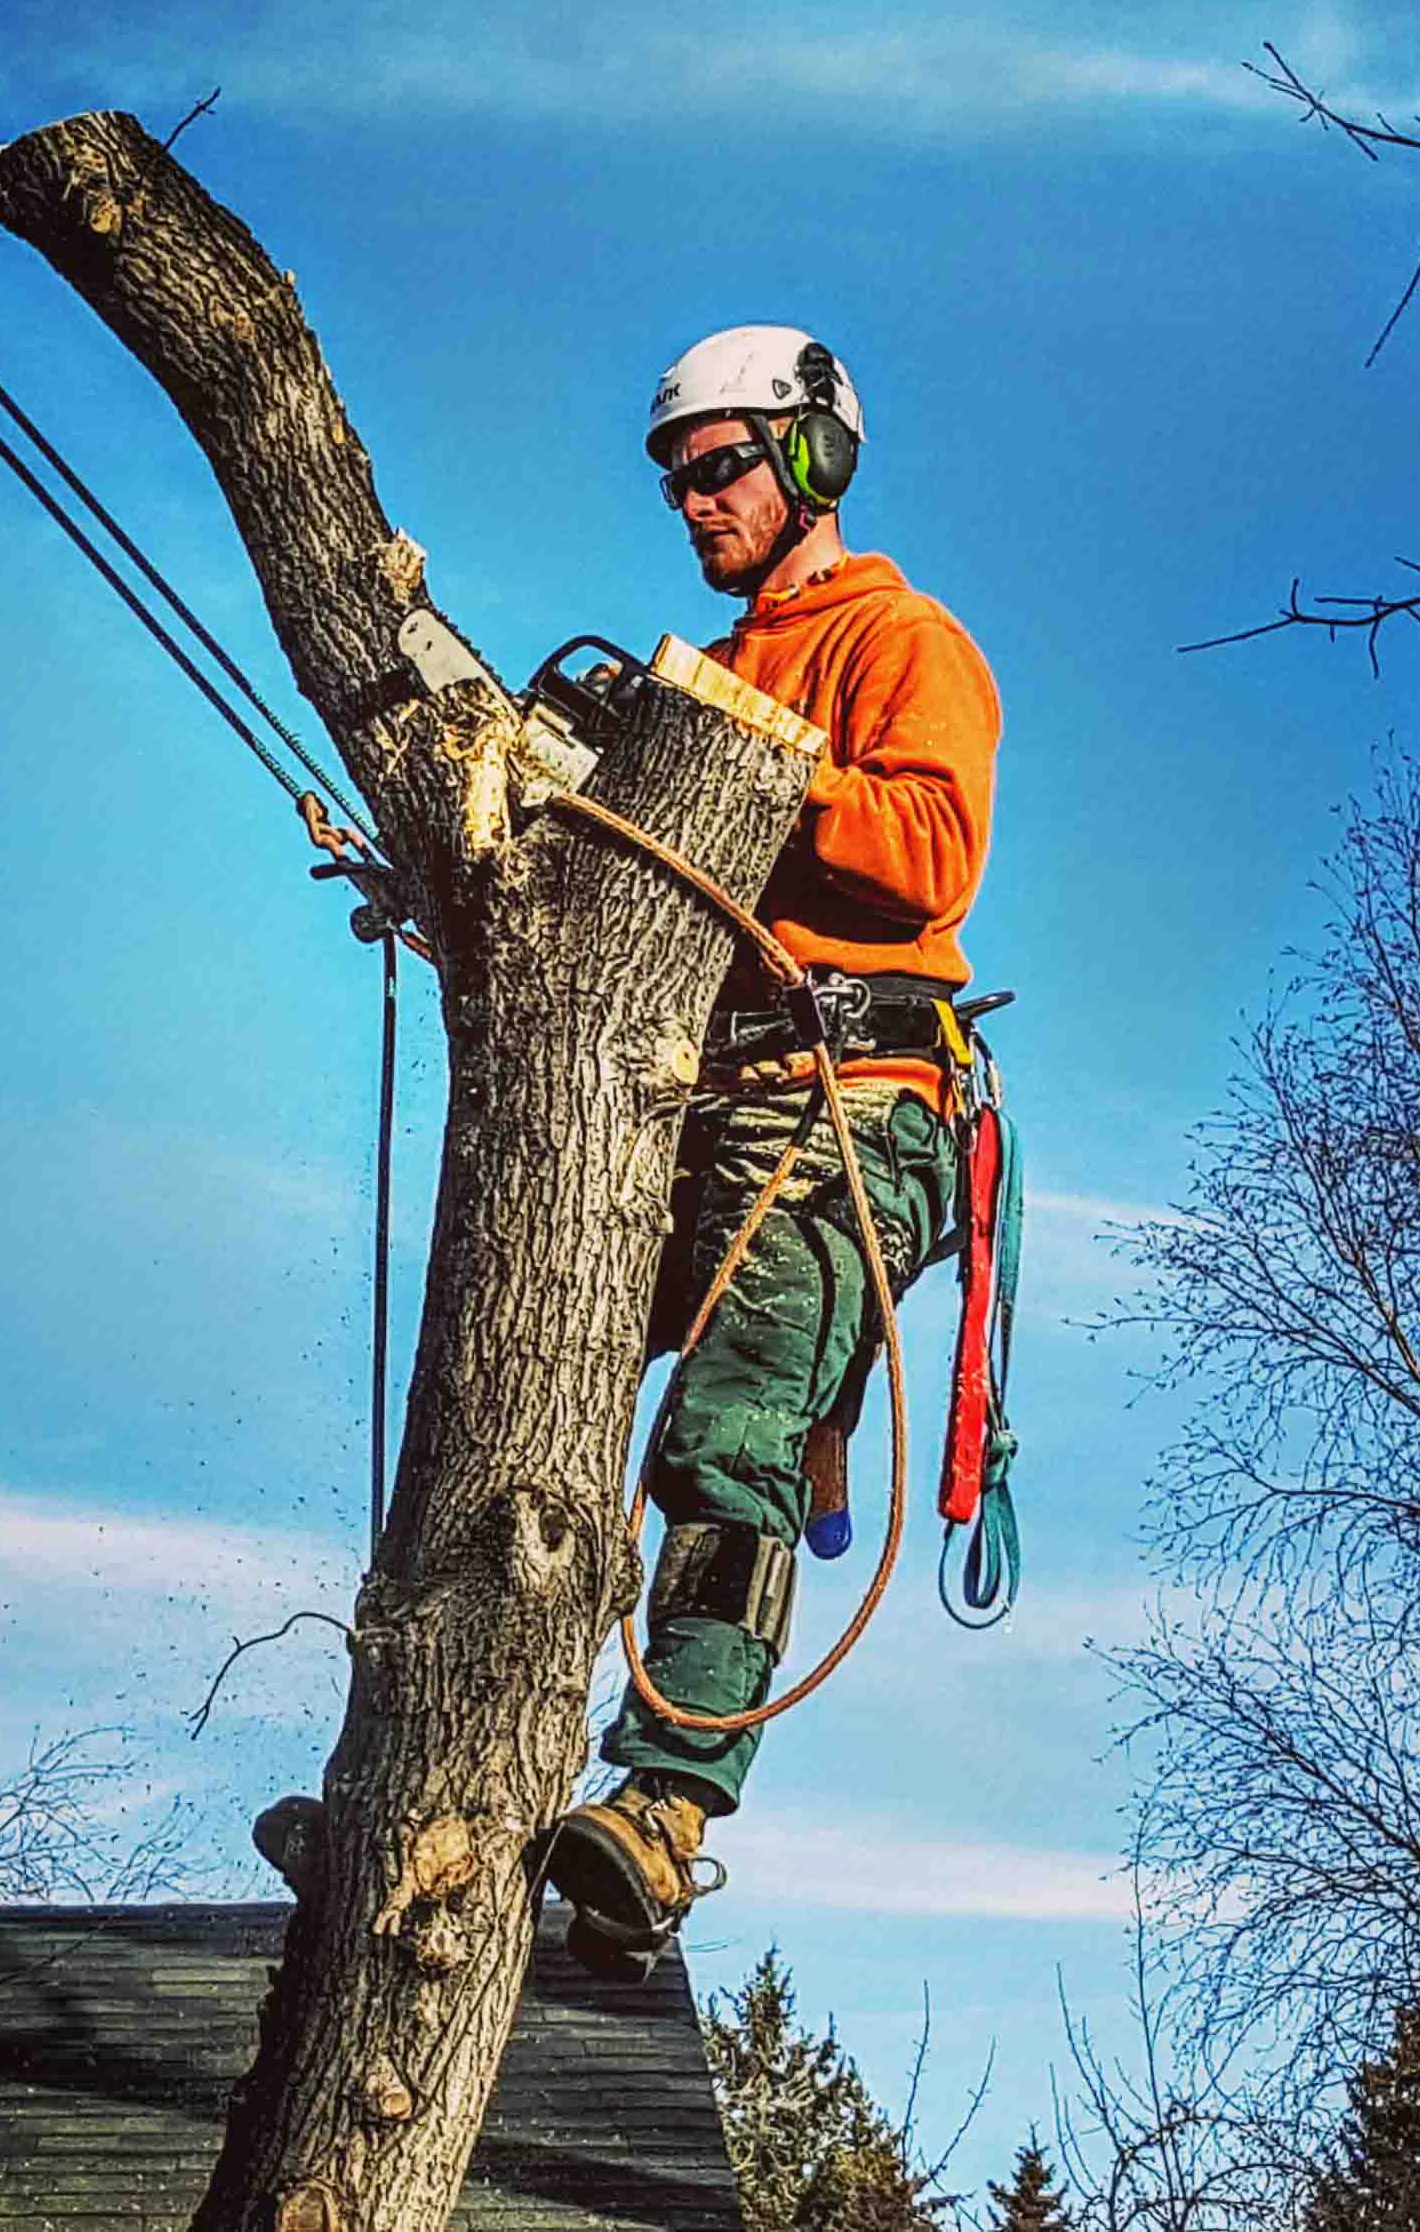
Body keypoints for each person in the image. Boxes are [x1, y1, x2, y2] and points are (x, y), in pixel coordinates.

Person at [543, 325, 1002, 1974]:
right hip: (686, 1094)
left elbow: (933, 850)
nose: (694, 498)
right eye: (675, 475)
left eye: (722, 464)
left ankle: (662, 1807)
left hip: (844, 1107)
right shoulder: (715, 663)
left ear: (808, 458)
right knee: (534, 1388)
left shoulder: (896, 638)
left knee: (728, 1427)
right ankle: (463, 1774)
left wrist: (753, 754)